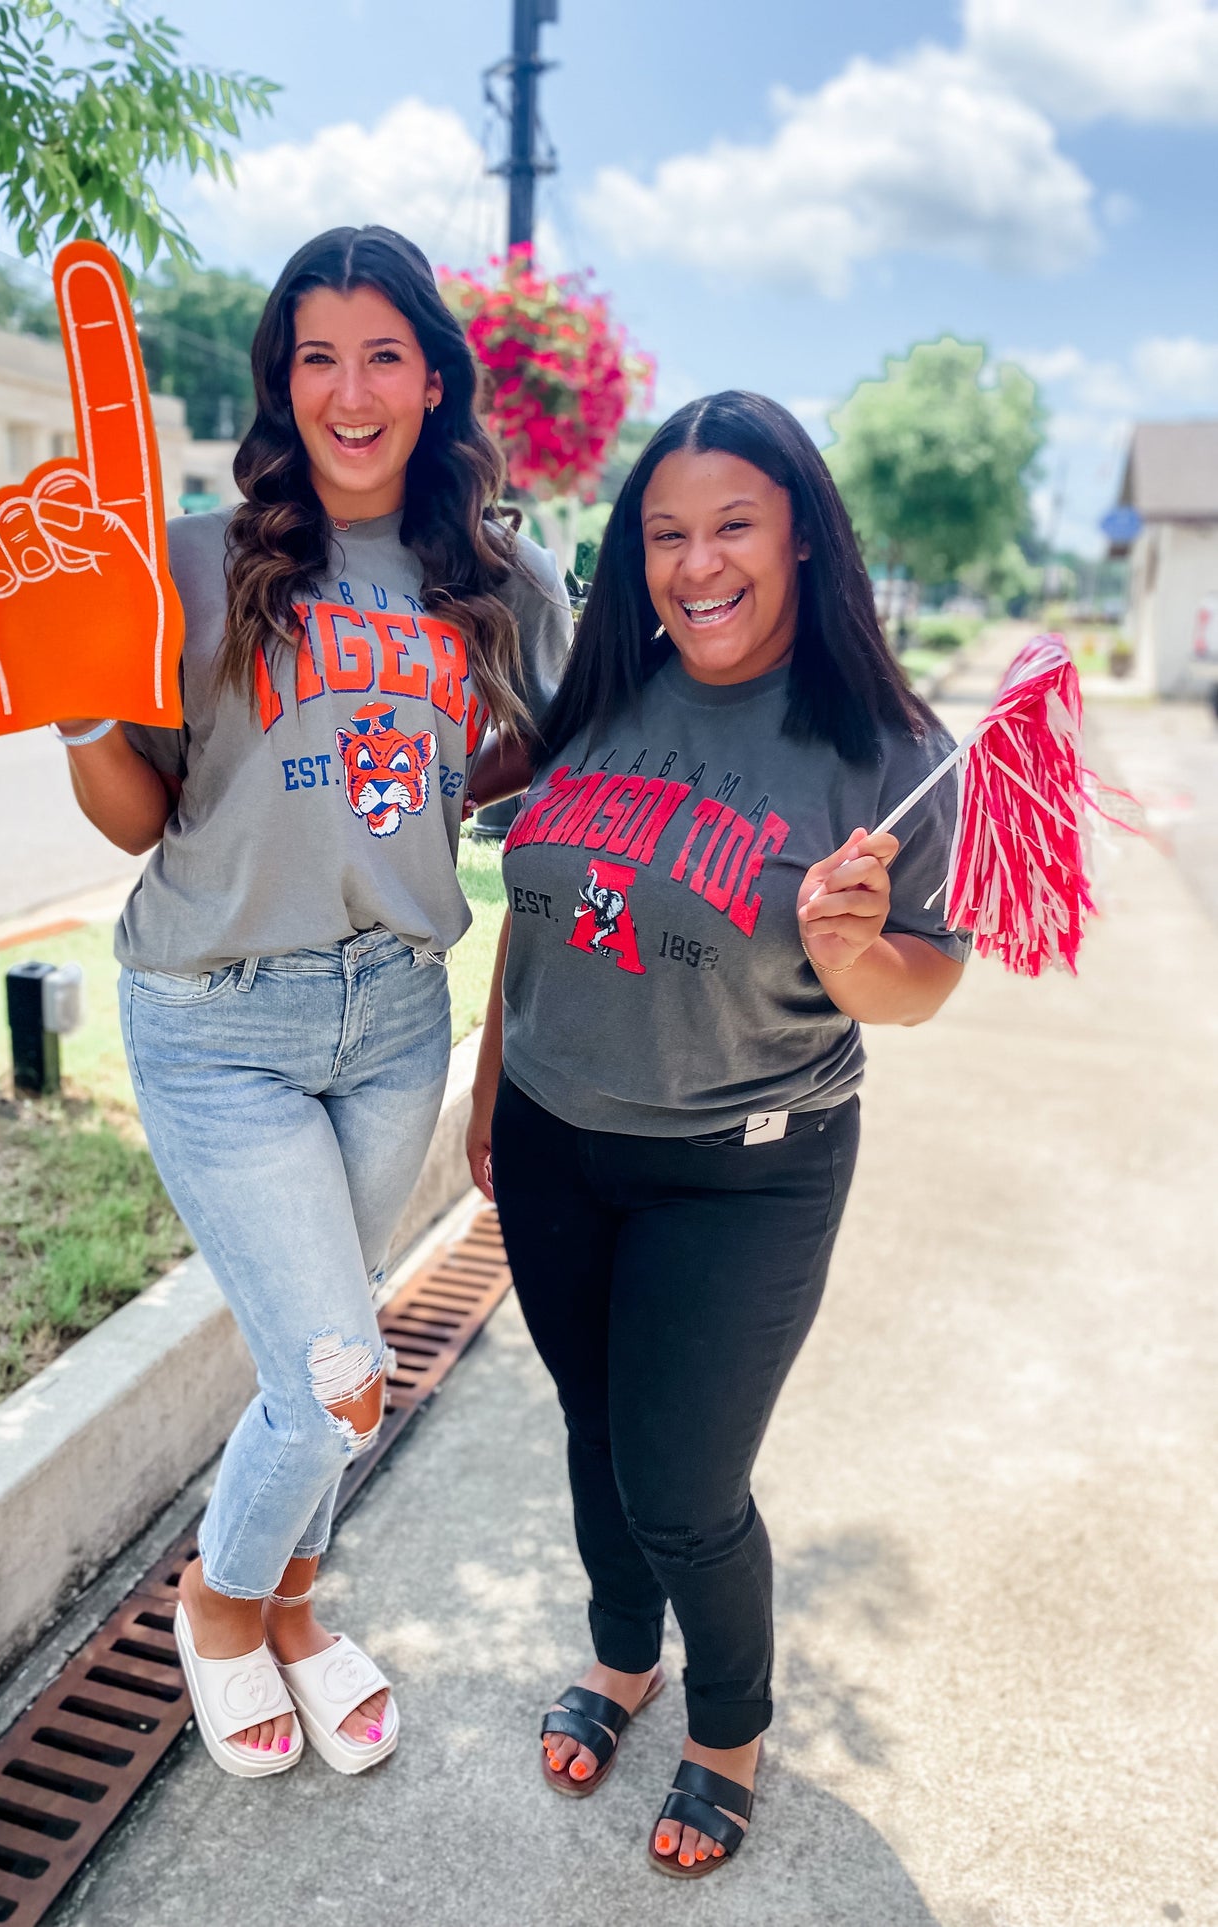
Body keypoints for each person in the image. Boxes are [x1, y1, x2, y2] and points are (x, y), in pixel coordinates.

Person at [52, 225, 570, 1779]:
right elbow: (140, 818)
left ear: (432, 378)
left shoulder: (501, 574)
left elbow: (537, 742)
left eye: (384, 354)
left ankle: (291, 1606)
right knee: (340, 1374)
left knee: (314, 1375)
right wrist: (80, 695)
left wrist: (436, 810)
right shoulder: (197, 561)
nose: (351, 390)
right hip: (218, 1014)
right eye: (316, 355)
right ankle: (214, 1609)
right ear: (281, 378)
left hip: (395, 1012)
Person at [466, 390, 968, 1874]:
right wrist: (493, 1089)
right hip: (557, 1138)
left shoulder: (883, 749)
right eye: (666, 534)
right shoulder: (606, 691)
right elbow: (535, 913)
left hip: (740, 1172)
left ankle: (726, 1728)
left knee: (681, 1489)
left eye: (732, 526)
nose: (698, 564)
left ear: (802, 537)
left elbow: (919, 986)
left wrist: (855, 949)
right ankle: (623, 1659)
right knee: (590, 1431)